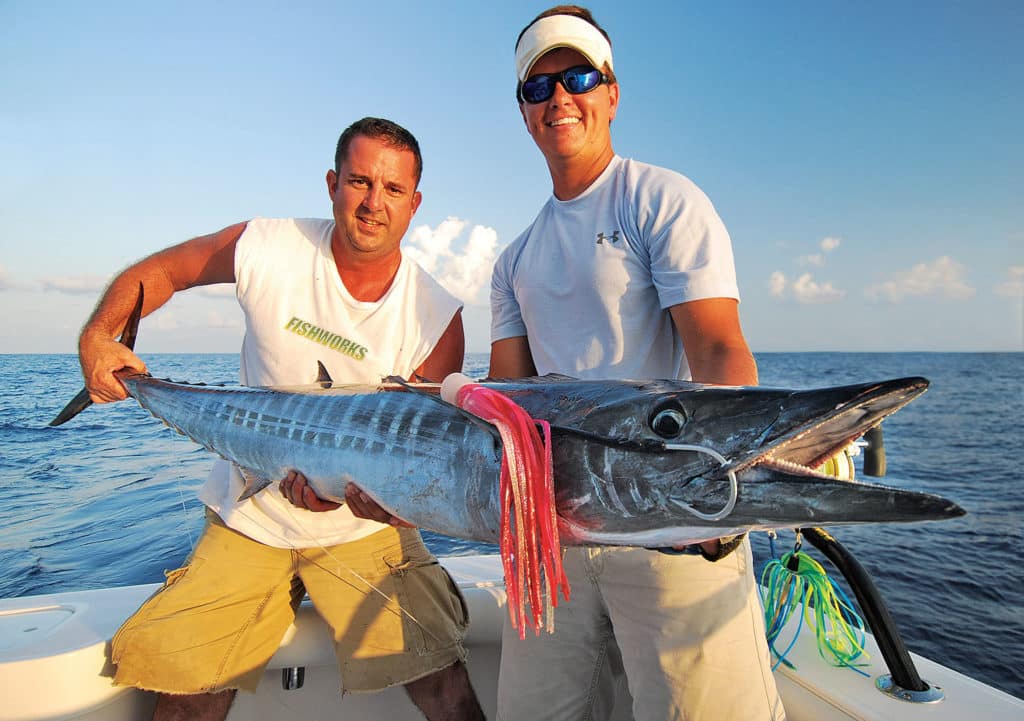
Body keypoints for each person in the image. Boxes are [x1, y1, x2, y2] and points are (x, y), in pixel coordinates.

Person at [78, 117, 485, 721]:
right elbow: (161, 272)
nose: (374, 203)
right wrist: (99, 336)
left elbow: (419, 462)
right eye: (359, 182)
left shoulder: (434, 315)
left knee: (444, 684)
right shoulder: (269, 245)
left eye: (393, 190)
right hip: (251, 514)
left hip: (360, 531)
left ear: (415, 202)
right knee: (188, 696)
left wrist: (374, 504)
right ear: (331, 183)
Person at [488, 7, 785, 721]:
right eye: (540, 86)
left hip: (669, 526)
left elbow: (717, 347)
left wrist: (724, 494)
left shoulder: (662, 200)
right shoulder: (513, 261)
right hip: (552, 539)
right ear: (525, 113)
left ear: (612, 93)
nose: (561, 97)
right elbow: (505, 403)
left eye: (579, 76)